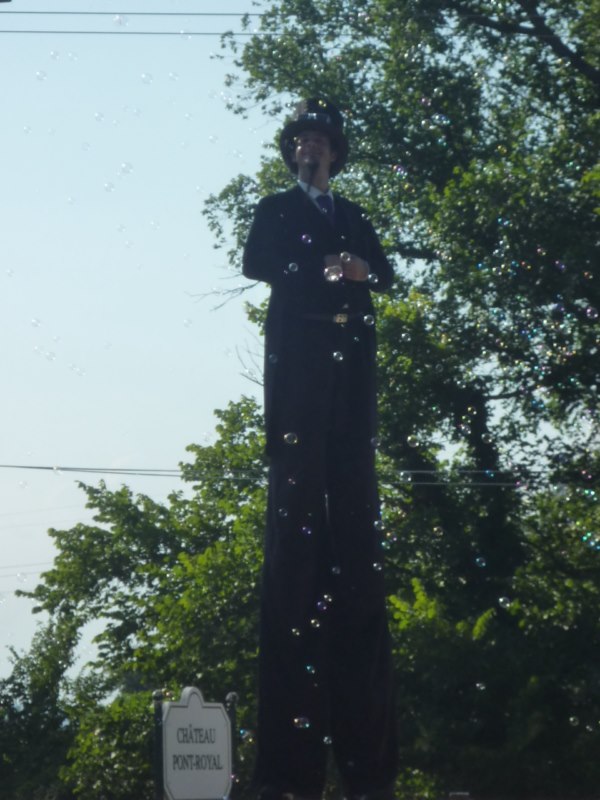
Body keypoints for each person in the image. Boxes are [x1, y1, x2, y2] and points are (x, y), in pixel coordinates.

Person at [243, 98, 398, 800]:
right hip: (301, 351)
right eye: (301, 142)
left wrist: (358, 271)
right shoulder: (278, 207)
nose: (311, 150)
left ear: (334, 154)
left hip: (351, 356)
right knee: (299, 496)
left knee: (352, 487)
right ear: (293, 153)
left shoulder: (352, 212)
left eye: (320, 142)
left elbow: (385, 271)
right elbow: (257, 263)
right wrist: (322, 271)